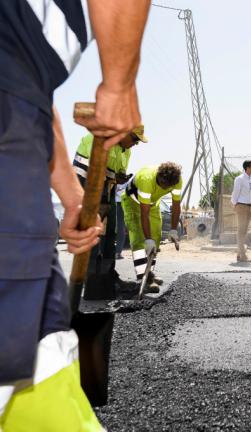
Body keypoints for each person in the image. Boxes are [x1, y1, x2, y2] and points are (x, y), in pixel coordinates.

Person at [0, 0, 149, 429]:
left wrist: (71, 200)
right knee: (36, 347)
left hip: (20, 105)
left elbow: (36, 102)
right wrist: (118, 86)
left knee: (41, 345)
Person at [73, 128, 145, 297]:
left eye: (137, 141)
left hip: (106, 187)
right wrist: (102, 202)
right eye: (134, 138)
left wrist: (120, 178)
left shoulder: (125, 151)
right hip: (86, 184)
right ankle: (91, 279)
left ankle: (107, 276)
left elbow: (112, 175)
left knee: (110, 232)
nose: (135, 144)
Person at [122, 163, 182, 292]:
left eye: (168, 186)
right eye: (162, 184)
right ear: (159, 176)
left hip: (153, 204)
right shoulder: (146, 179)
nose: (165, 187)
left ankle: (149, 273)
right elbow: (144, 214)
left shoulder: (177, 180)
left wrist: (173, 229)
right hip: (132, 203)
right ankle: (142, 277)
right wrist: (147, 239)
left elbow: (176, 205)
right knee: (139, 239)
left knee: (156, 237)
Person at [231, 160, 251, 262]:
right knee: (241, 232)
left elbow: (249, 194)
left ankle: (239, 254)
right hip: (241, 206)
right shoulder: (239, 179)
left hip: (248, 207)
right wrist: (234, 204)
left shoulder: (250, 180)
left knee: (244, 232)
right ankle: (243, 256)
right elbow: (235, 193)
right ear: (248, 168)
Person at [116, 181, 129, 259]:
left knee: (121, 229)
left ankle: (117, 252)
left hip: (118, 203)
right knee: (121, 229)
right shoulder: (128, 182)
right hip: (121, 204)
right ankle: (117, 253)